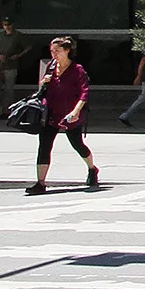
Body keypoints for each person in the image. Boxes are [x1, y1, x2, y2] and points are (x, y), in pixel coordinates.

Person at [28, 36, 99, 194]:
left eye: (57, 51)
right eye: (52, 51)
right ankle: (40, 182)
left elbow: (84, 93)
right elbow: (42, 89)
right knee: (44, 147)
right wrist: (43, 82)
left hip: (69, 114)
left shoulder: (77, 70)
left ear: (67, 51)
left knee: (77, 145)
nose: (54, 54)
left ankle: (92, 169)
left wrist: (76, 111)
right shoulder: (51, 67)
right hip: (50, 113)